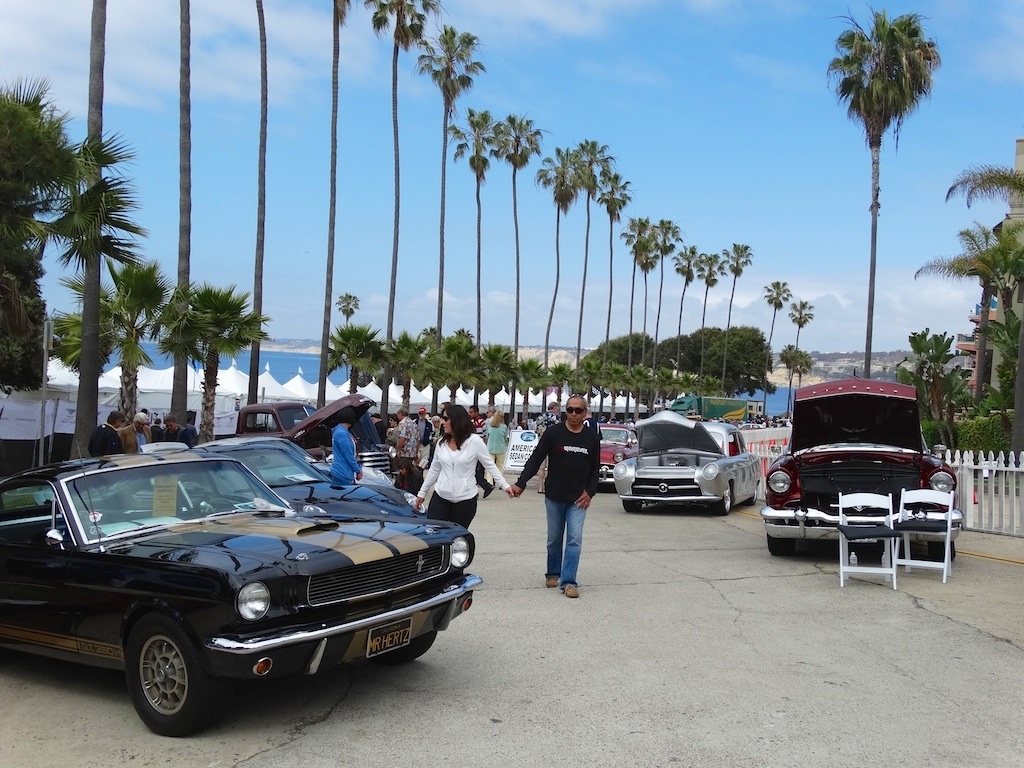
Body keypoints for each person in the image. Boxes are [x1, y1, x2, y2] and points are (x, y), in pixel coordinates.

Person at [509, 395, 600, 599]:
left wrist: (590, 491)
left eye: (578, 410)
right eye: (570, 410)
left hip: (578, 499)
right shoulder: (553, 433)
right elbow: (536, 459)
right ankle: (553, 573)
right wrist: (521, 483)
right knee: (554, 538)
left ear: (585, 413)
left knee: (574, 539)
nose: (573, 414)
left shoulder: (591, 437)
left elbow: (595, 468)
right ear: (565, 412)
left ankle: (568, 582)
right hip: (555, 496)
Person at [414, 404, 513, 528]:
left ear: (456, 420)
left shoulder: (475, 442)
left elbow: (490, 465)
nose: (442, 422)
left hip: (466, 500)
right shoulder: (441, 443)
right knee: (435, 534)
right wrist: (421, 493)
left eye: (446, 419)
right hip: (441, 496)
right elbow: (434, 470)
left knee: (458, 540)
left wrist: (505, 486)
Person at [329, 406, 362, 485]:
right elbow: (349, 455)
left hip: (340, 472)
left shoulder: (339, 431)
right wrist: (358, 470)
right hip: (343, 473)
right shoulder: (342, 434)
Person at [534, 400, 562, 494]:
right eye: (558, 409)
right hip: (553, 444)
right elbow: (559, 431)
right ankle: (548, 486)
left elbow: (536, 431)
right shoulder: (556, 418)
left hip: (542, 442)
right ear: (554, 409)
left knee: (541, 466)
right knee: (551, 466)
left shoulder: (540, 417)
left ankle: (540, 487)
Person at [484, 408, 509, 483]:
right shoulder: (504, 427)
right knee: (500, 466)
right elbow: (505, 437)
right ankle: (500, 482)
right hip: (500, 448)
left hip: (490, 448)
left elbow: (487, 436)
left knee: (490, 466)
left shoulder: (489, 426)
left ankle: (489, 482)